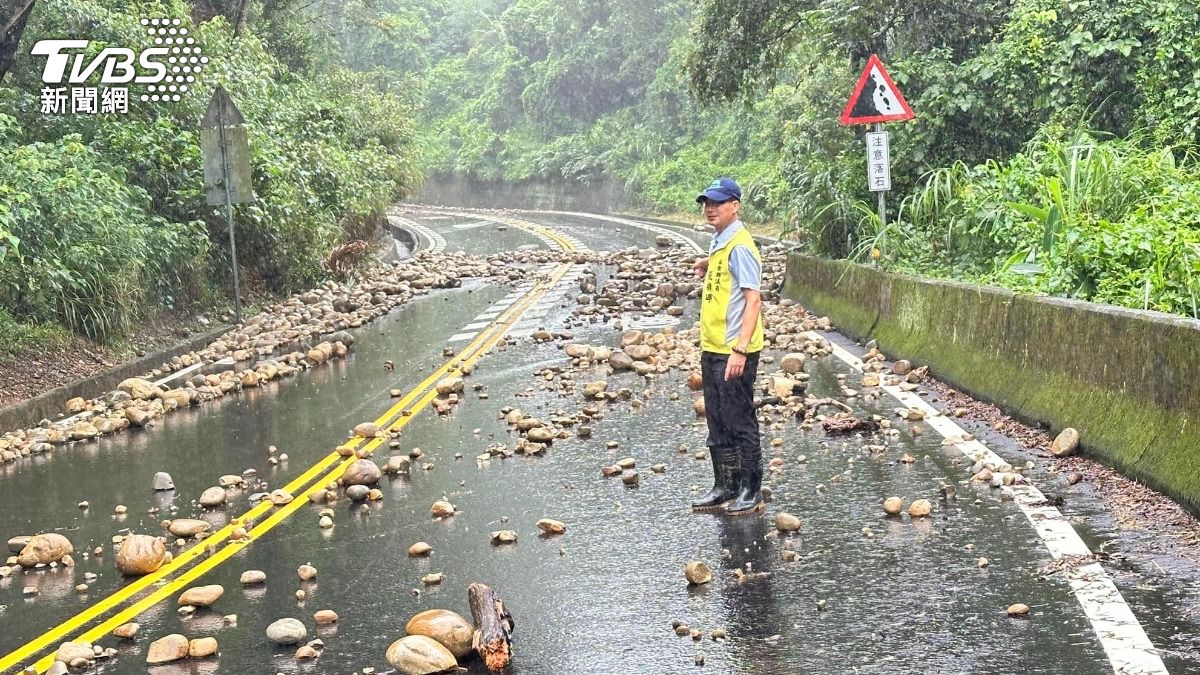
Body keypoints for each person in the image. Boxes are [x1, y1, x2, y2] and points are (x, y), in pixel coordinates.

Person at [690, 177, 765, 516]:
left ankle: (751, 488)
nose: (711, 208)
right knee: (717, 420)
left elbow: (753, 301)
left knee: (740, 420)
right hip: (713, 347)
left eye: (718, 203)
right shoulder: (721, 240)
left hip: (734, 350)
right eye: (707, 203)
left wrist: (740, 349)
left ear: (735, 206)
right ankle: (725, 485)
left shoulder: (740, 245)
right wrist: (707, 264)